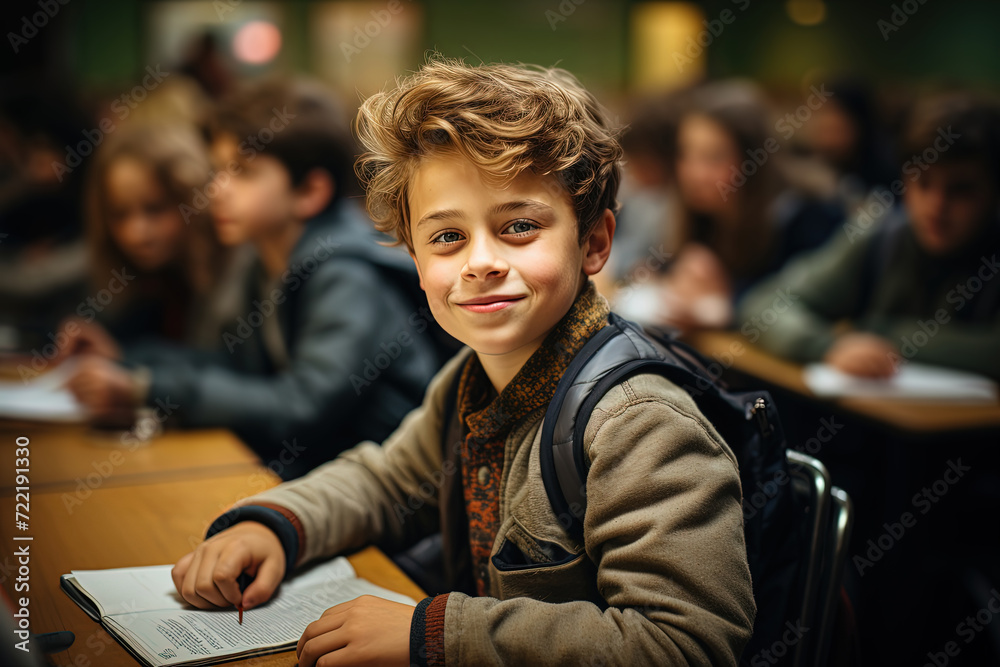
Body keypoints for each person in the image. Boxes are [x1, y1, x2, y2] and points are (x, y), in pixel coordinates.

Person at [170, 60, 756, 666]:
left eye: (519, 227)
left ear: (594, 243)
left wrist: (437, 634)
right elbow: (384, 481)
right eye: (447, 237)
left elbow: (686, 645)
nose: (481, 261)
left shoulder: (639, 424)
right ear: (415, 260)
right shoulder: (472, 379)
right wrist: (275, 524)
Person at [64, 78, 441, 477]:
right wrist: (127, 361)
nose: (217, 190)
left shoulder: (347, 274)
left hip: (391, 500)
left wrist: (145, 389)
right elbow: (232, 369)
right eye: (217, 170)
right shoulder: (262, 259)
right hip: (318, 476)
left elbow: (301, 407)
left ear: (309, 191)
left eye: (242, 172)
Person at [738, 92, 1000, 380]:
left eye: (960, 189)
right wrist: (828, 345)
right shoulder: (880, 238)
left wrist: (879, 332)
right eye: (923, 183)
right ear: (904, 180)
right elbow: (764, 304)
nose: (936, 206)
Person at [615, 80, 842, 334]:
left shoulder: (807, 219)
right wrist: (661, 275)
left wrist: (727, 303)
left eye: (714, 157)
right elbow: (681, 277)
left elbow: (792, 305)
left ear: (753, 160)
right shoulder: (705, 217)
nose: (694, 173)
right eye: (686, 154)